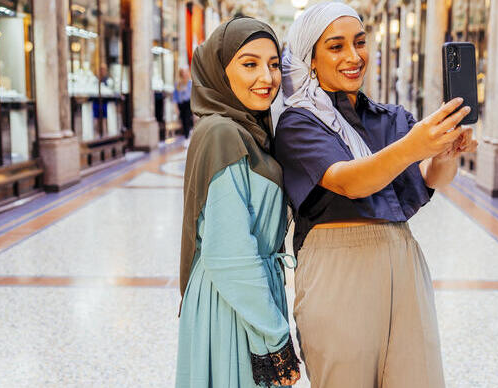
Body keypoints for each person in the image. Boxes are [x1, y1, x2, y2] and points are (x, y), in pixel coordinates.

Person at [274, 3, 477, 387]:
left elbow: (431, 177)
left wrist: (446, 153)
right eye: (336, 47)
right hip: (337, 268)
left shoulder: (389, 117)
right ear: (311, 59)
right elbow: (351, 181)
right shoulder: (298, 122)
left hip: (402, 257)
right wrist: (415, 146)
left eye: (361, 42)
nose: (354, 57)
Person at [176, 17, 301, 388]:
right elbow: (231, 256)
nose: (267, 77)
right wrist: (276, 339)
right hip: (232, 304)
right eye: (250, 64)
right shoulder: (222, 133)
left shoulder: (250, 130)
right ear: (220, 70)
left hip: (247, 298)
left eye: (274, 64)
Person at [174, 67, 194, 139]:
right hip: (181, 104)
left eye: (185, 72)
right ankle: (186, 135)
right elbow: (175, 96)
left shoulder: (190, 83)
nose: (184, 74)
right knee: (183, 119)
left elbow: (193, 95)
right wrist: (176, 107)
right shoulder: (178, 84)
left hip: (188, 103)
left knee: (187, 119)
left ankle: (187, 135)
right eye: (183, 72)